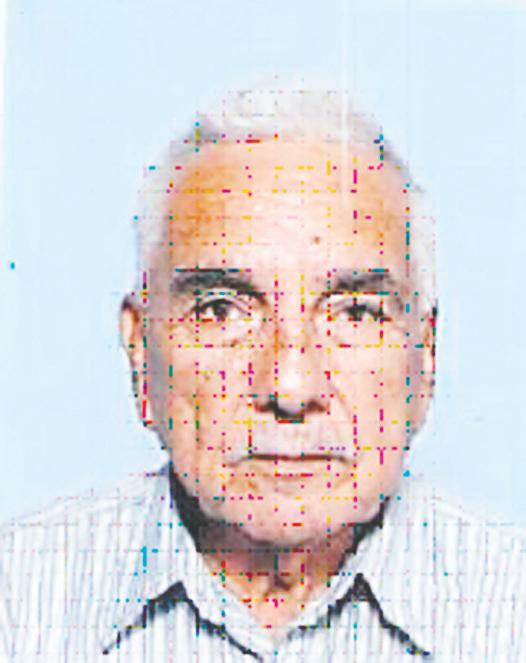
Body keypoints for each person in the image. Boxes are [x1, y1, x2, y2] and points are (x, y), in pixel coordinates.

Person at [1, 86, 524, 662]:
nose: (290, 386)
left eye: (355, 313)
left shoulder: (510, 608)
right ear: (141, 353)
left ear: (424, 359)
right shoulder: (19, 602)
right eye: (220, 311)